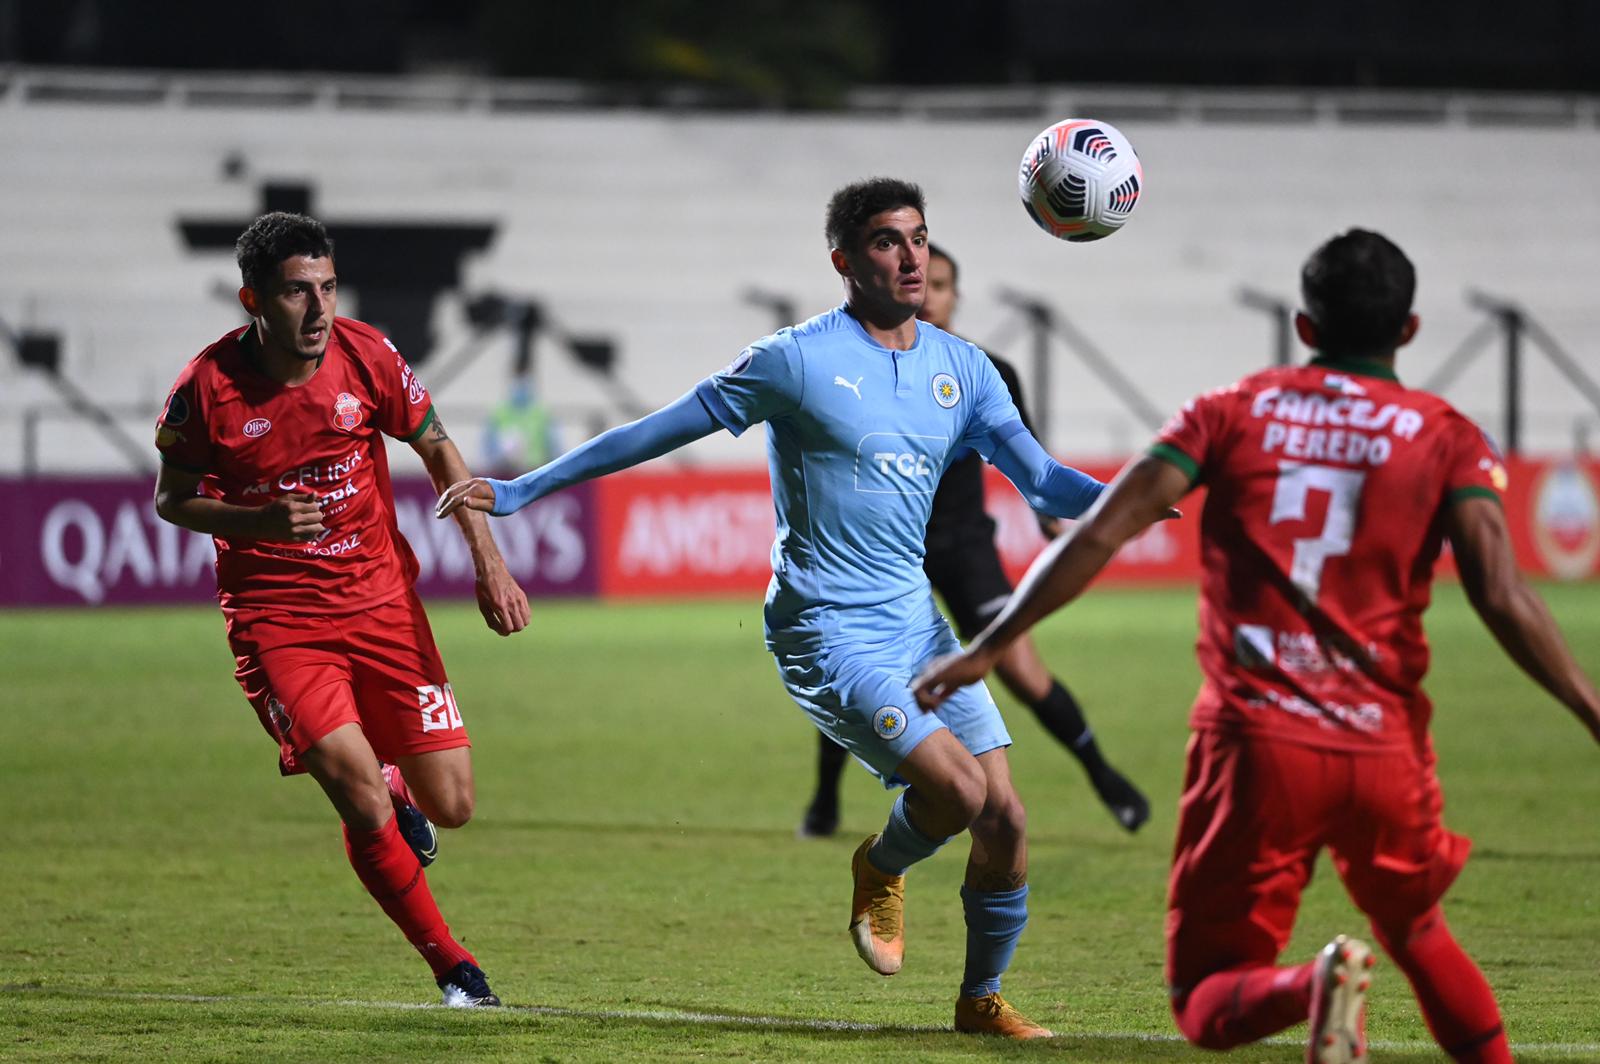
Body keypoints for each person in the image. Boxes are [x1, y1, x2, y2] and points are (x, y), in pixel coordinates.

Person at [438, 178, 1113, 1039]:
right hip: (825, 624)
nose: (911, 257)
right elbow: (659, 428)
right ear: (844, 261)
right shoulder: (795, 359)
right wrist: (527, 486)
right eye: (886, 241)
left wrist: (1142, 489)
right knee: (958, 790)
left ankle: (980, 1003)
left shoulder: (964, 369)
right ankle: (881, 862)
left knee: (1009, 817)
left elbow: (1045, 480)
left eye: (919, 238)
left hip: (914, 620)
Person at [913, 229, 1600, 1063]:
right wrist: (1592, 711)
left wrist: (991, 644)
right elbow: (1502, 591)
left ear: (1305, 327)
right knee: (1420, 931)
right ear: (1410, 330)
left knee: (1206, 1001)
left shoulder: (1230, 411)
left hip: (1257, 747)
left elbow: (1097, 534)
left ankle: (1316, 986)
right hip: (1385, 750)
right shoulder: (1445, 434)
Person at [153, 212, 531, 1007]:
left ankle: (394, 784)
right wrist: (255, 521)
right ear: (253, 298)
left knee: (452, 806)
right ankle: (455, 968)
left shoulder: (367, 353)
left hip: (384, 605)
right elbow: (173, 499)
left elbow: (437, 448)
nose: (319, 309)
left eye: (327, 287)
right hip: (279, 619)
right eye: (297, 292)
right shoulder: (206, 389)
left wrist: (487, 562)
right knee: (356, 794)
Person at [798, 243, 1148, 838]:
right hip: (886, 548)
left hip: (963, 544)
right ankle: (825, 800)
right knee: (860, 664)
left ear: (955, 296)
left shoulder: (986, 370)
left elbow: (1028, 458)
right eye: (921, 282)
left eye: (940, 285)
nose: (928, 294)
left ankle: (1102, 774)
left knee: (1019, 668)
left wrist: (1048, 517)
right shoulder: (865, 365)